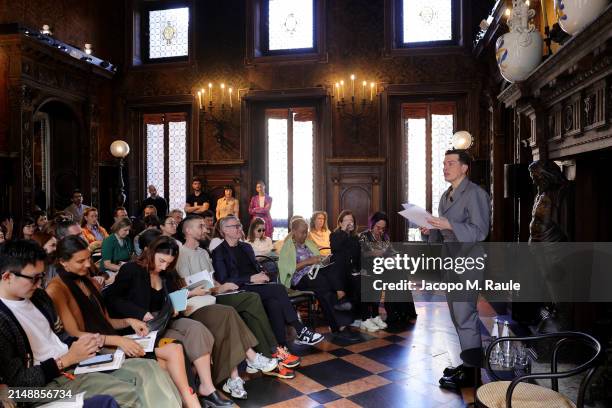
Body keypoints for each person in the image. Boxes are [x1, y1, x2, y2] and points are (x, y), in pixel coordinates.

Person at [0, 240, 181, 407]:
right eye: (34, 278)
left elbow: (62, 335)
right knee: (129, 393)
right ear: (7, 276)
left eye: (41, 277)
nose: (40, 284)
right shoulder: (4, 319)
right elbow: (18, 384)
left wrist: (84, 348)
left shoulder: (38, 297)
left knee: (148, 367)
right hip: (42, 385)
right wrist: (66, 360)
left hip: (73, 365)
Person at [46, 236, 201, 408]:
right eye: (80, 261)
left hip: (107, 342)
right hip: (91, 352)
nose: (88, 265)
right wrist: (119, 340)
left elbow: (107, 322)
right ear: (63, 262)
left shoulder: (87, 281)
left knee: (168, 359)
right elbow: (76, 335)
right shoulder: (57, 288)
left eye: (88, 259)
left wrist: (129, 321)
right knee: (162, 362)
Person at [103, 236, 235, 407]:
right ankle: (192, 395)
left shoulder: (167, 273)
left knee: (197, 329)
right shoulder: (131, 270)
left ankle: (207, 388)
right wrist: (140, 313)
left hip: (163, 321)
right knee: (183, 339)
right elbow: (112, 299)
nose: (164, 266)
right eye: (161, 261)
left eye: (168, 263)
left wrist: (175, 306)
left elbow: (172, 297)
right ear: (150, 253)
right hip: (141, 327)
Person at [177, 215, 299, 379]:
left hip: (214, 294)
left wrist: (220, 286)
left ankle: (270, 354)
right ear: (188, 230)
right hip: (202, 301)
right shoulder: (181, 254)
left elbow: (211, 279)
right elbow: (187, 286)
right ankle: (272, 352)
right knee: (253, 298)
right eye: (200, 226)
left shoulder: (204, 253)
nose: (205, 229)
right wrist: (220, 287)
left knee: (265, 302)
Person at [420, 149, 490, 390]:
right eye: (443, 163)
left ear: (464, 168)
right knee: (457, 316)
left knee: (465, 316)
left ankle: (473, 375)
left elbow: (480, 231)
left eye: (450, 163)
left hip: (468, 262)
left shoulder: (476, 194)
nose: (445, 167)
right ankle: (469, 363)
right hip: (450, 260)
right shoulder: (445, 195)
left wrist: (448, 224)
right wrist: (431, 230)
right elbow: (445, 232)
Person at [212, 215, 324, 348]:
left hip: (257, 285)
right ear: (224, 230)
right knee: (278, 289)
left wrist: (262, 273)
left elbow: (255, 267)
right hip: (239, 289)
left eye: (239, 225)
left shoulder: (246, 247)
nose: (239, 228)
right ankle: (300, 330)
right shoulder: (219, 252)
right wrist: (250, 278)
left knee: (274, 303)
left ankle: (280, 347)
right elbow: (224, 280)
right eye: (235, 226)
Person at [278, 218, 357, 340]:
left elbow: (318, 260)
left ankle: (339, 324)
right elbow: (288, 270)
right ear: (293, 231)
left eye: (306, 232)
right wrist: (308, 262)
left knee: (332, 275)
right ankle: (340, 318)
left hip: (315, 273)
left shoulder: (308, 243)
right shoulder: (287, 247)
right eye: (302, 232)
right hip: (300, 279)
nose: (305, 235)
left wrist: (324, 260)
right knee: (326, 286)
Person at [359, 212, 416, 329]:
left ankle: (402, 311)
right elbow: (359, 255)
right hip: (369, 266)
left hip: (385, 265)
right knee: (396, 274)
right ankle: (393, 311)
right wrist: (373, 253)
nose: (380, 230)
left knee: (401, 273)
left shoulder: (385, 237)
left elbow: (391, 251)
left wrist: (397, 256)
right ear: (372, 225)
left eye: (383, 228)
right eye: (378, 227)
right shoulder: (364, 236)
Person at [329, 210, 361, 314]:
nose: (349, 223)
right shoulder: (334, 235)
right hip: (340, 270)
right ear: (340, 223)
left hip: (352, 269)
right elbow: (335, 248)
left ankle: (363, 316)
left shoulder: (355, 238)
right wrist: (343, 230)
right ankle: (342, 300)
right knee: (338, 260)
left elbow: (358, 256)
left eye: (351, 220)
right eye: (346, 220)